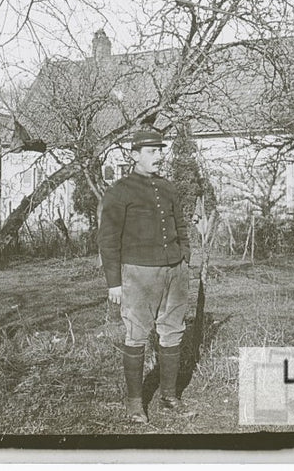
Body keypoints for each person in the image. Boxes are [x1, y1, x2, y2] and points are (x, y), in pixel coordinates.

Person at [99, 129, 195, 423]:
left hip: (175, 271)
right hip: (139, 274)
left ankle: (169, 396)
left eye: (160, 151)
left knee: (173, 331)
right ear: (134, 155)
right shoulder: (120, 191)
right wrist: (114, 282)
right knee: (137, 334)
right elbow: (108, 239)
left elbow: (180, 225)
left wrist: (185, 258)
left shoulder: (168, 188)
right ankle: (134, 403)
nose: (159, 156)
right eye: (152, 151)